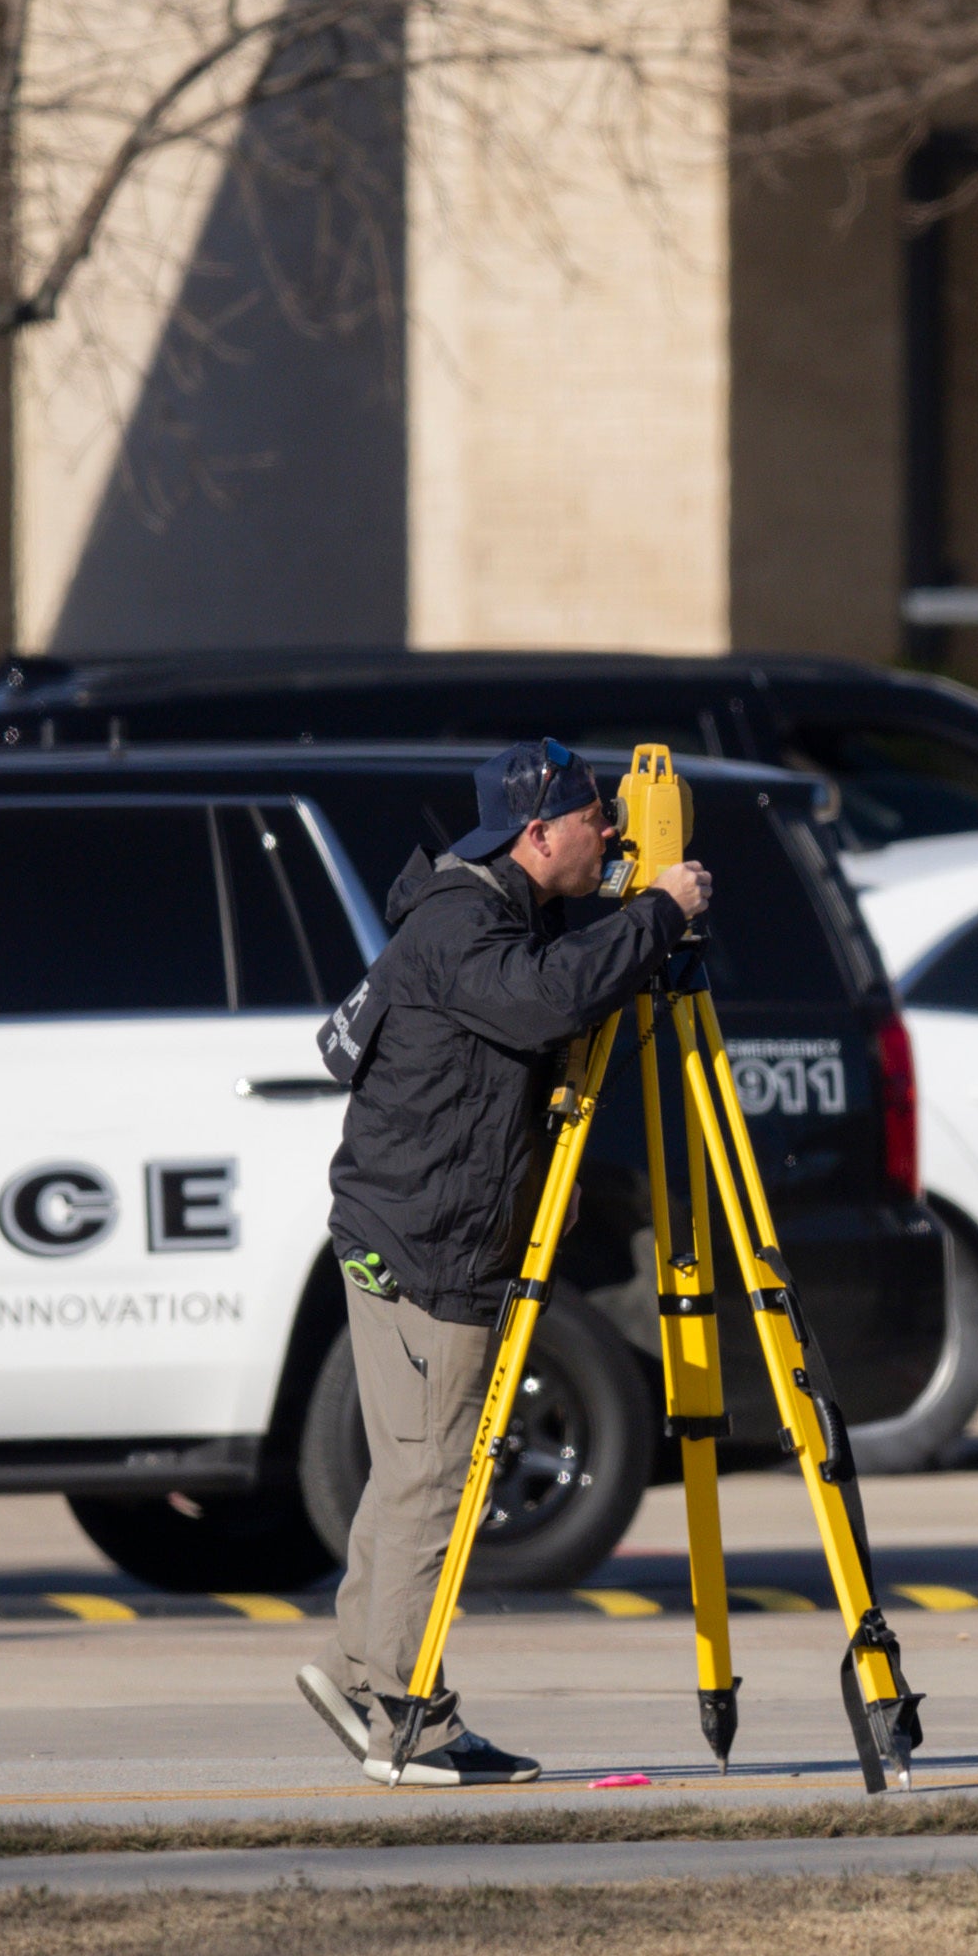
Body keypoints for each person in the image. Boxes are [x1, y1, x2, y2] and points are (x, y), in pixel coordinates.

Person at [291, 738, 714, 1787]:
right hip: (431, 1244)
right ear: (537, 834)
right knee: (437, 1476)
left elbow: (550, 982)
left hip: (400, 1228)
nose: (610, 833)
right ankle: (409, 1720)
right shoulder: (465, 928)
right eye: (593, 821)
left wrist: (630, 906)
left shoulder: (486, 907)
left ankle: (358, 1671)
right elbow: (546, 1001)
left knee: (409, 1469)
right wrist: (657, 914)